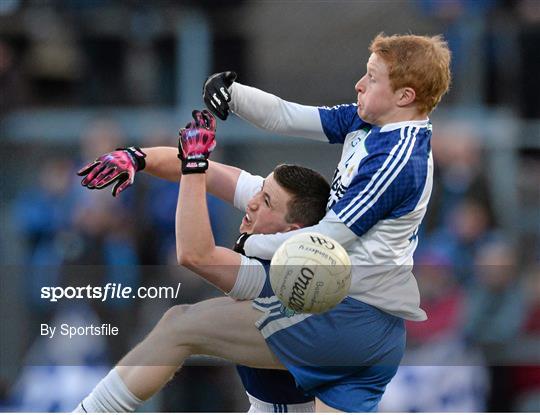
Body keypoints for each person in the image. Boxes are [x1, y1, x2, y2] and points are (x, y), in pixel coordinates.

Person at [77, 33, 452, 412]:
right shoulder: (370, 125)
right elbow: (280, 123)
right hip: (361, 322)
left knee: (180, 324)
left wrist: (247, 243)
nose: (359, 84)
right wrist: (228, 99)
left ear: (404, 97)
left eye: (372, 77)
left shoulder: (399, 158)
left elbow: (322, 239)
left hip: (348, 314)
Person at [75, 110, 330, 412]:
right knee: (179, 322)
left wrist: (195, 166)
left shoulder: (295, 269)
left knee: (181, 325)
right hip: (269, 403)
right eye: (260, 191)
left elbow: (194, 255)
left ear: (293, 231)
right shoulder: (286, 218)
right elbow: (200, 169)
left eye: (266, 201)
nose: (252, 201)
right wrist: (136, 157)